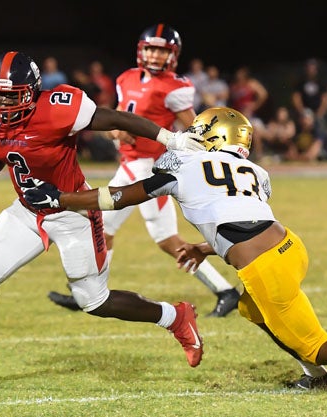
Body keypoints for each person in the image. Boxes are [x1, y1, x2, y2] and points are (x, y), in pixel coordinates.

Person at [0, 50, 206, 388]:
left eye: (10, 96)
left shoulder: (59, 108)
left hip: (74, 211)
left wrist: (171, 138)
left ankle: (176, 317)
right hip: (28, 209)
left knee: (94, 301)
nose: (0, 104)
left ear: (30, 92)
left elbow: (116, 119)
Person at [23, 106, 327, 391]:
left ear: (213, 136)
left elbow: (119, 196)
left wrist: (61, 199)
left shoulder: (185, 165)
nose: (191, 135)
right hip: (288, 246)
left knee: (318, 346)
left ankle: (317, 367)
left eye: (199, 132)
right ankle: (317, 376)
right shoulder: (256, 172)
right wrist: (205, 248)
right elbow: (242, 221)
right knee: (252, 310)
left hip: (265, 267)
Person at [48, 24, 240, 317]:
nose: (154, 54)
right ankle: (90, 293)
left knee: (159, 239)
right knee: (109, 229)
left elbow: (193, 128)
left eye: (161, 50)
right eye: (150, 48)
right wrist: (114, 133)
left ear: (172, 55)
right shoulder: (126, 78)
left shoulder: (174, 87)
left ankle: (225, 291)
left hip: (150, 169)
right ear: (141, 49)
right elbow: (116, 118)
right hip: (129, 165)